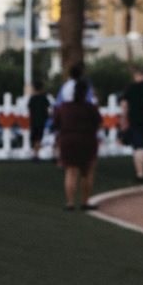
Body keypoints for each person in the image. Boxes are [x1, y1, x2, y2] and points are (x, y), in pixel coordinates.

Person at [52, 66, 102, 210]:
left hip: (68, 139)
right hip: (87, 140)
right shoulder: (90, 107)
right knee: (87, 172)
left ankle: (70, 203)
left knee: (70, 171)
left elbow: (56, 123)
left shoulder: (64, 107)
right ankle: (85, 201)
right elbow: (98, 123)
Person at [27, 79, 51, 160]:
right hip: (41, 121)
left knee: (34, 137)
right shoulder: (44, 98)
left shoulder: (32, 98)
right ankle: (36, 153)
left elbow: (30, 109)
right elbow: (48, 109)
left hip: (34, 121)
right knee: (38, 138)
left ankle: (35, 153)